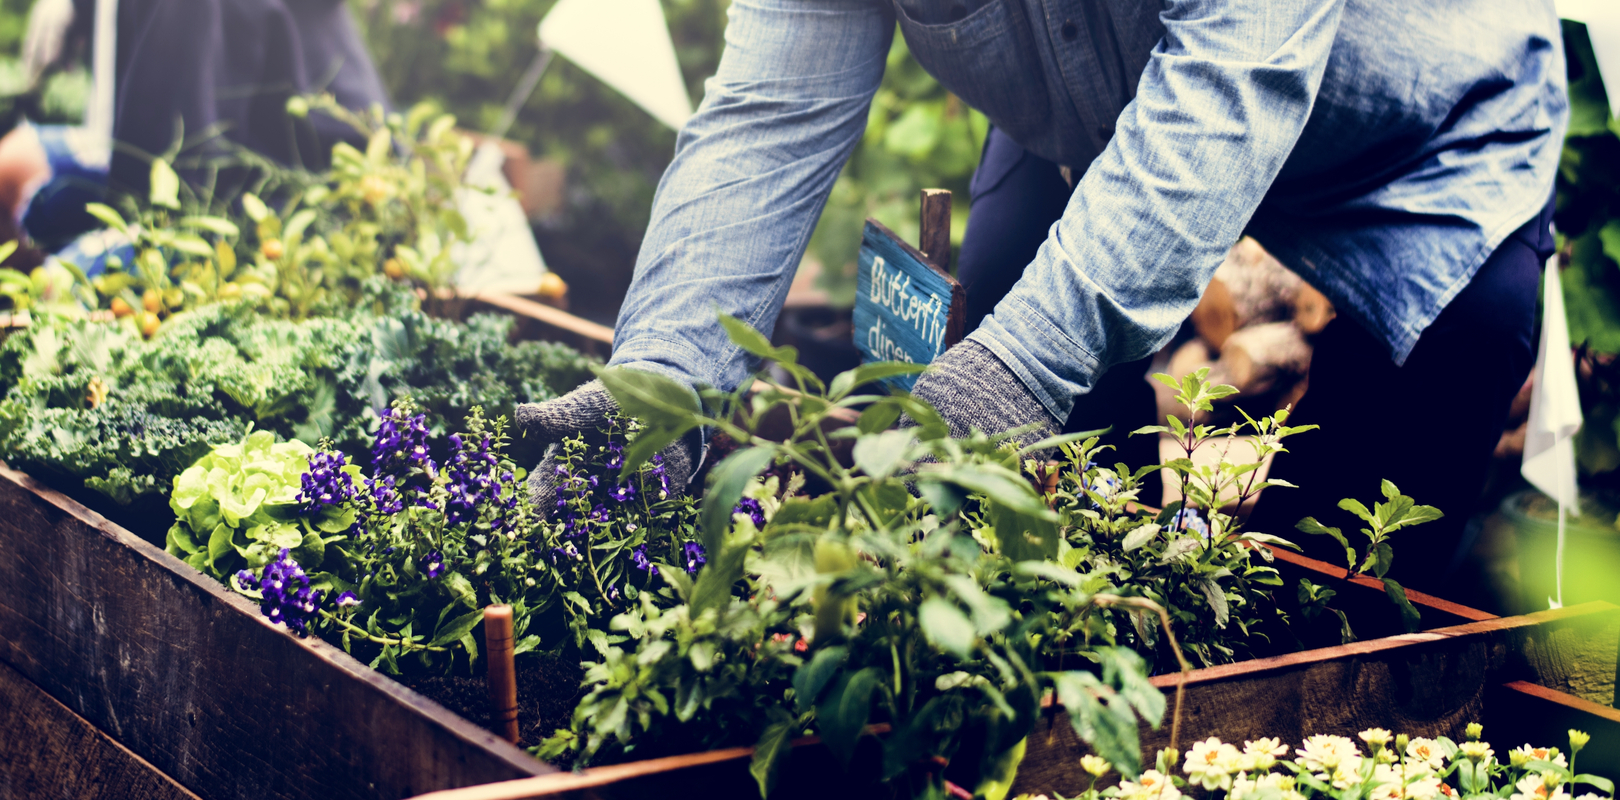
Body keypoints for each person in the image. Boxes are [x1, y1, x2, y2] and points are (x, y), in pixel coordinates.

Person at [517, 0, 1567, 595]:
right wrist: (662, 379)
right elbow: (769, 113)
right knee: (1036, 546)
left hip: (1413, 149)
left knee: (1331, 595)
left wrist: (1003, 380)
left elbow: (1225, 95)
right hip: (1096, 110)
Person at [0, 0, 389, 262]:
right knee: (12, 162)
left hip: (284, 200)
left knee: (53, 297)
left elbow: (180, 176)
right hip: (144, 157)